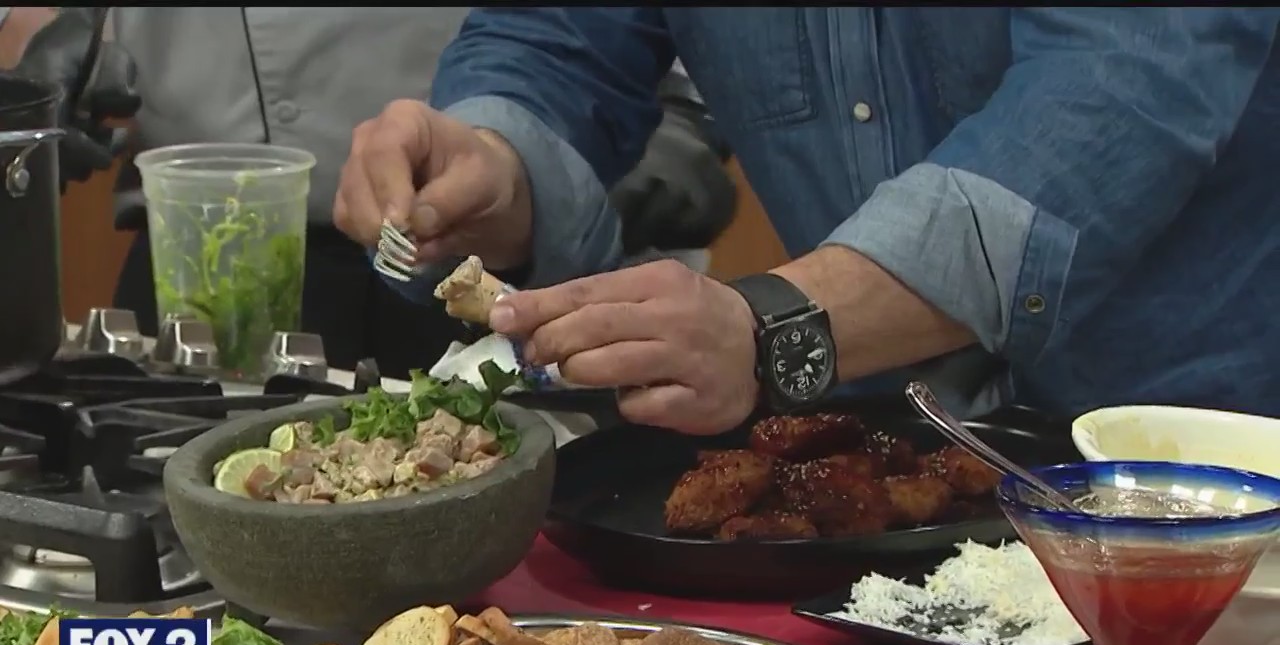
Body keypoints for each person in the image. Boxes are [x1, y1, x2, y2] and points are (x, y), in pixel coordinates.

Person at [333, 7, 1280, 433]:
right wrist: (492, 161)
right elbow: (556, 40)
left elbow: (1118, 96)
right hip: (868, 476)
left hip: (1209, 472)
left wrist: (774, 324)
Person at [0, 7, 736, 379]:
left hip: (500, 247)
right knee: (178, 644)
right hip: (197, 250)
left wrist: (680, 118)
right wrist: (36, 31)